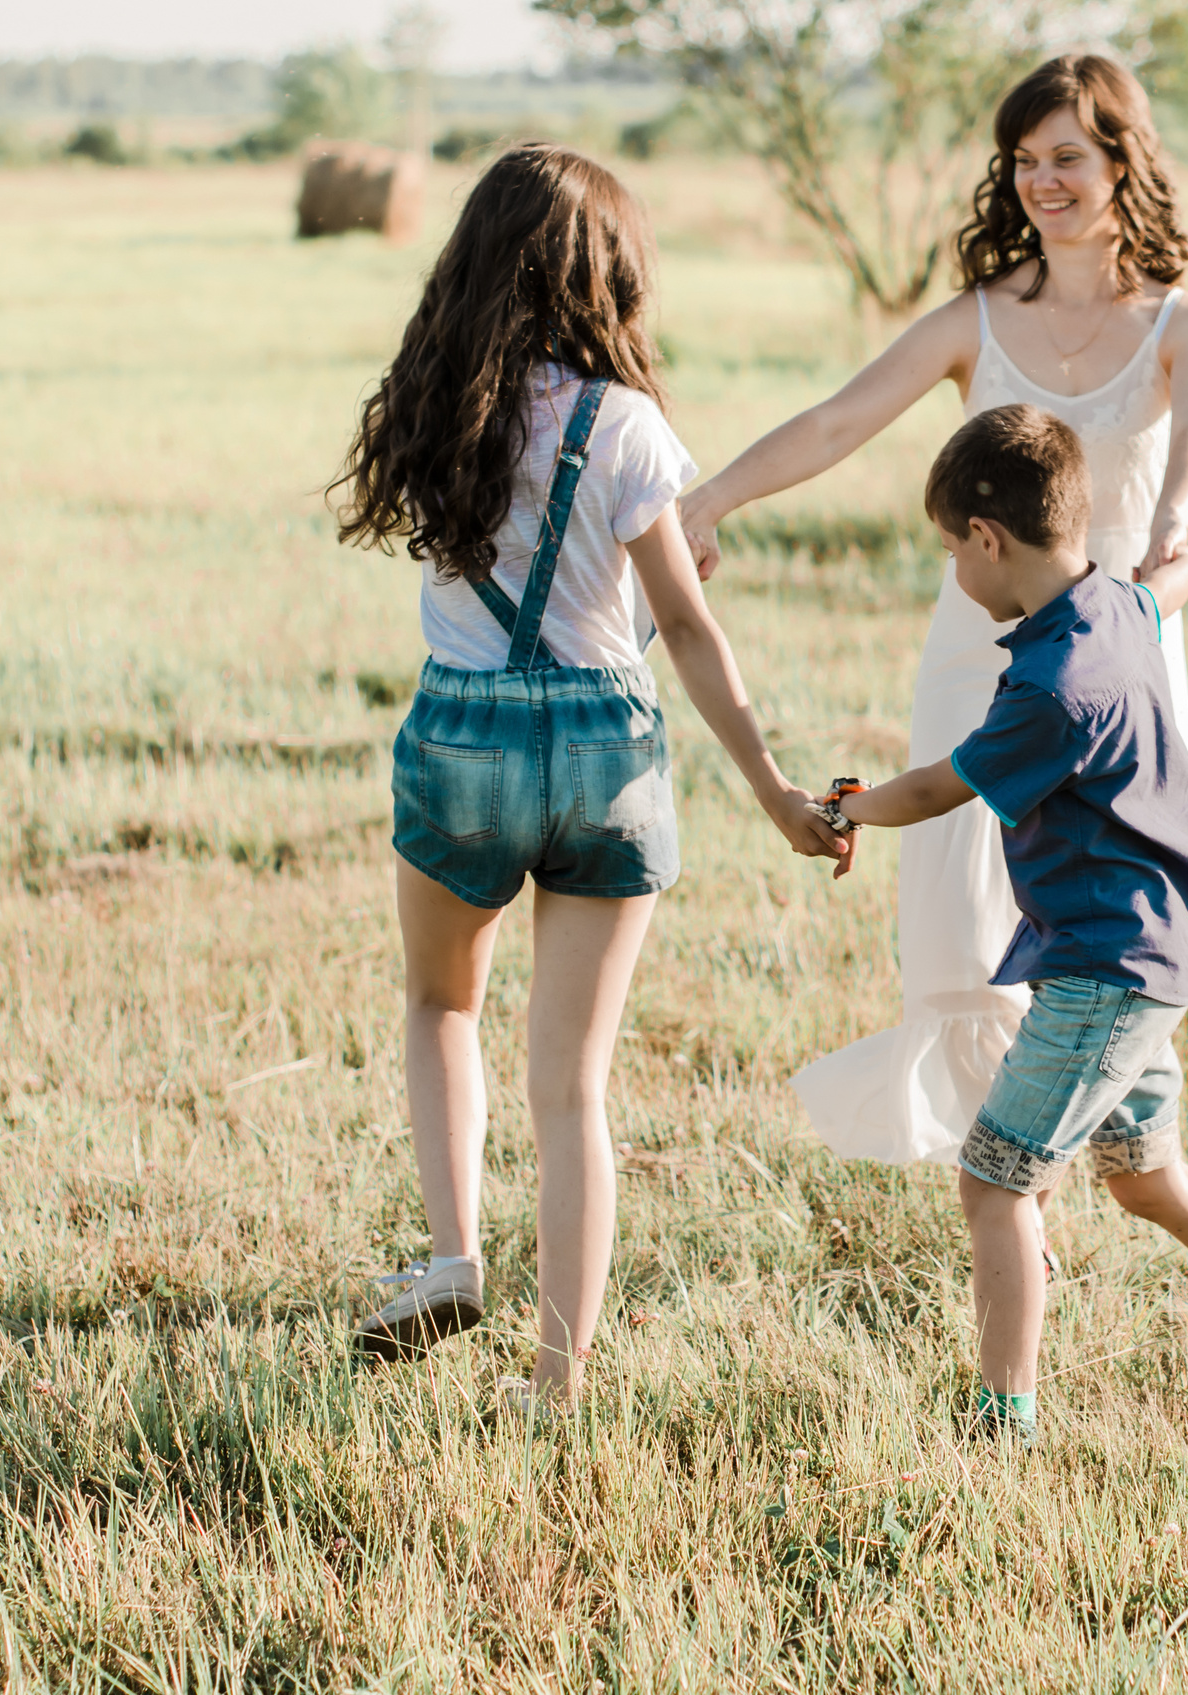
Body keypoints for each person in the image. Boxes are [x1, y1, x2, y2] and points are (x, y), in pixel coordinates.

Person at [327, 143, 848, 1401]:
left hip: (464, 740)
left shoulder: (431, 406)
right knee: (574, 1088)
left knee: (442, 1008)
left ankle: (453, 1256)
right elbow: (685, 627)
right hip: (608, 749)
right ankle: (560, 1381)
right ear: (608, 280)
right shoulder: (626, 427)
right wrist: (775, 789)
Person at [679, 55, 1188, 1168]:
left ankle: (1082, 1144)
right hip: (973, 649)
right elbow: (839, 422)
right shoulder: (974, 319)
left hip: (1118, 649)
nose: (1042, 181)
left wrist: (1166, 548)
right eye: (1024, 161)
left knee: (1097, 890)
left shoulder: (1187, 326)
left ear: (1123, 160)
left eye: (1067, 157)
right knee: (960, 913)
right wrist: (708, 500)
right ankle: (1008, 1168)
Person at [820, 405, 1188, 1442]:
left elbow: (944, 788)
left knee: (994, 1182)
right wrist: (1184, 561)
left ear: (986, 540)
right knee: (1149, 1179)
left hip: (1103, 969)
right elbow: (1175, 584)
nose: (953, 570)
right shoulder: (1118, 607)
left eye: (953, 548)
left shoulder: (1049, 686)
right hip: (1152, 950)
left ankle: (1002, 1424)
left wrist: (842, 806)